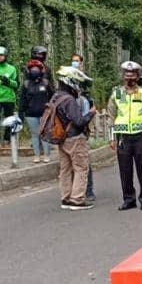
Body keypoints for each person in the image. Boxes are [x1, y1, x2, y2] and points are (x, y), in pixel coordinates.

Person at [108, 61, 142, 211]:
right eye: (126, 74)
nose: (129, 77)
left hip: (141, 136)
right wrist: (111, 138)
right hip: (123, 137)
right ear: (123, 76)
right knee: (125, 170)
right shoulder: (116, 93)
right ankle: (129, 200)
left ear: (137, 76)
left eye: (132, 74)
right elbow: (111, 115)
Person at [53, 66, 96, 211]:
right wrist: (90, 113)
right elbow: (79, 121)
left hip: (61, 137)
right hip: (74, 137)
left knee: (65, 169)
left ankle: (66, 197)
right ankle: (77, 199)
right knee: (81, 168)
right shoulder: (69, 100)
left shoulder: (56, 96)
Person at [19, 59, 55, 163]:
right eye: (32, 69)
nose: (34, 70)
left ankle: (47, 155)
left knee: (44, 134)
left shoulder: (46, 83)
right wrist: (21, 112)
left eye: (37, 69)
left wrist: (51, 107)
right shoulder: (26, 84)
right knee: (35, 135)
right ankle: (37, 155)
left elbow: (53, 95)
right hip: (30, 114)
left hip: (44, 113)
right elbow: (22, 100)